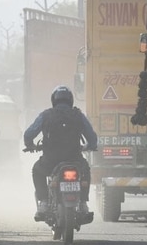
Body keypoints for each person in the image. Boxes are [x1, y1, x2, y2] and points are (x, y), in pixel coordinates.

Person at [24, 85, 97, 220]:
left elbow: (29, 134)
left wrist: (30, 145)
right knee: (85, 170)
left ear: (54, 100)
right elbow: (92, 137)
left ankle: (44, 202)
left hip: (50, 161)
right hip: (74, 159)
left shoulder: (45, 115)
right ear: (70, 100)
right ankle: (83, 203)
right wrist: (90, 146)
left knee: (37, 171)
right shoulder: (78, 115)